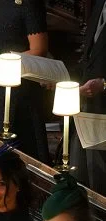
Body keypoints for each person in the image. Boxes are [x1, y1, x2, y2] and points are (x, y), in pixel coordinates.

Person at [0, 0, 49, 162]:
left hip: (17, 88)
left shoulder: (29, 4)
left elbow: (39, 49)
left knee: (9, 155)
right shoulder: (3, 3)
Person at [71, 0, 106, 195]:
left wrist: (104, 84)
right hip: (87, 109)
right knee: (82, 179)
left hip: (102, 112)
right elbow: (89, 60)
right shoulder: (98, 4)